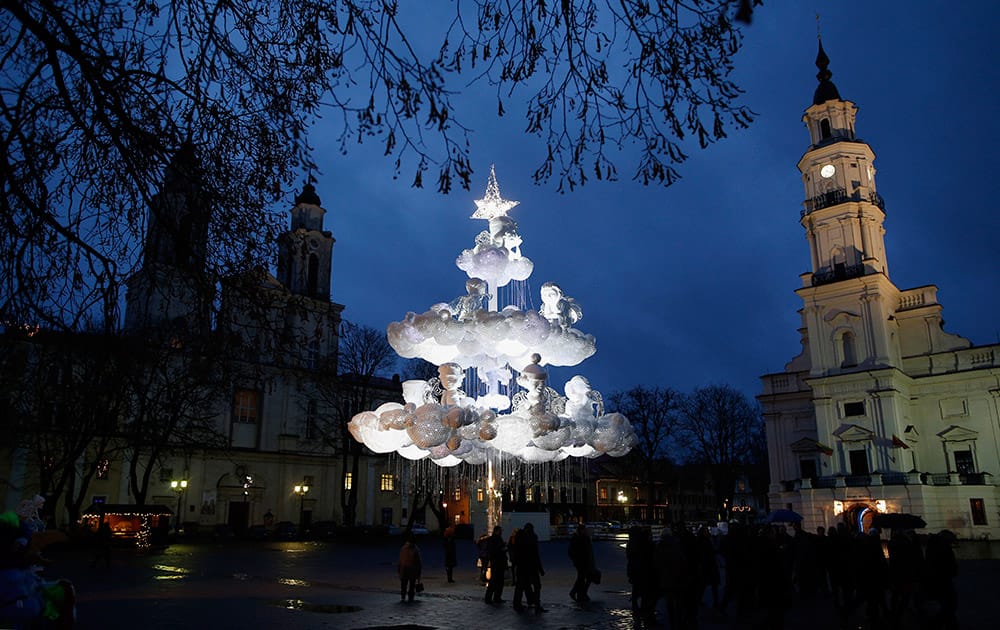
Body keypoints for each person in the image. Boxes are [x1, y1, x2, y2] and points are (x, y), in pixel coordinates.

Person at [513, 522, 546, 612]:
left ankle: (518, 604)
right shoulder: (532, 538)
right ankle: (536, 604)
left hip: (522, 566)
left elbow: (516, 553)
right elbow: (535, 554)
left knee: (521, 586)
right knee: (535, 586)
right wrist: (540, 569)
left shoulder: (519, 538)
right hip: (531, 566)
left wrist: (515, 564)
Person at [568, 523, 595, 602]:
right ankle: (580, 593)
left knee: (581, 577)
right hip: (584, 561)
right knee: (583, 577)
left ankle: (579, 594)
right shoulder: (584, 538)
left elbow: (571, 551)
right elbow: (588, 551)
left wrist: (574, 559)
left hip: (580, 562)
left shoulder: (576, 538)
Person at [484, 525, 507, 604]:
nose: (501, 532)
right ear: (496, 531)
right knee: (494, 581)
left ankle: (496, 597)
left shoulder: (496, 539)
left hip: (498, 562)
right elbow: (493, 551)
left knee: (499, 581)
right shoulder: (494, 540)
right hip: (496, 562)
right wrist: (502, 549)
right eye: (500, 531)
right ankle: (490, 598)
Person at [398, 532, 422, 602]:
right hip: (412, 569)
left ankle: (403, 597)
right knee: (411, 585)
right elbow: (418, 561)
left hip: (404, 568)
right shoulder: (415, 549)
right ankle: (410, 597)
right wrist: (419, 571)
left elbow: (400, 559)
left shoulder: (403, 548)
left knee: (404, 584)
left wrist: (399, 569)